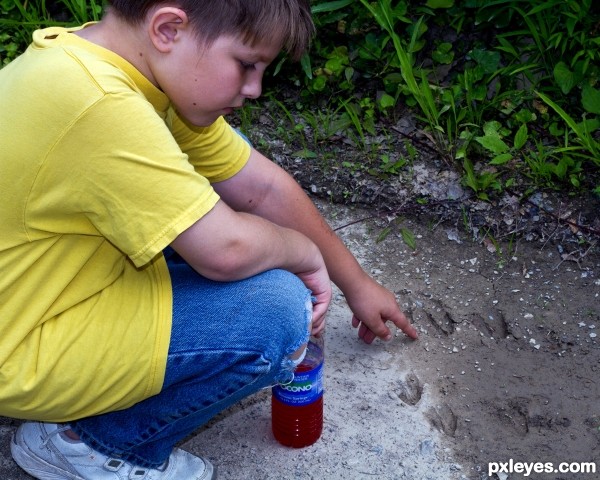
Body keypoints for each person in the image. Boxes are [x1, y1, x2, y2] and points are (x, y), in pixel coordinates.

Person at [0, 1, 418, 478]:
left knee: (239, 240)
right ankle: (87, 443)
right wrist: (301, 252)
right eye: (246, 64)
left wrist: (356, 283)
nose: (255, 89)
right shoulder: (100, 104)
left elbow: (261, 189)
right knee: (277, 308)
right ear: (168, 28)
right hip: (19, 348)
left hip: (40, 294)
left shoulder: (106, 65)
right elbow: (226, 251)